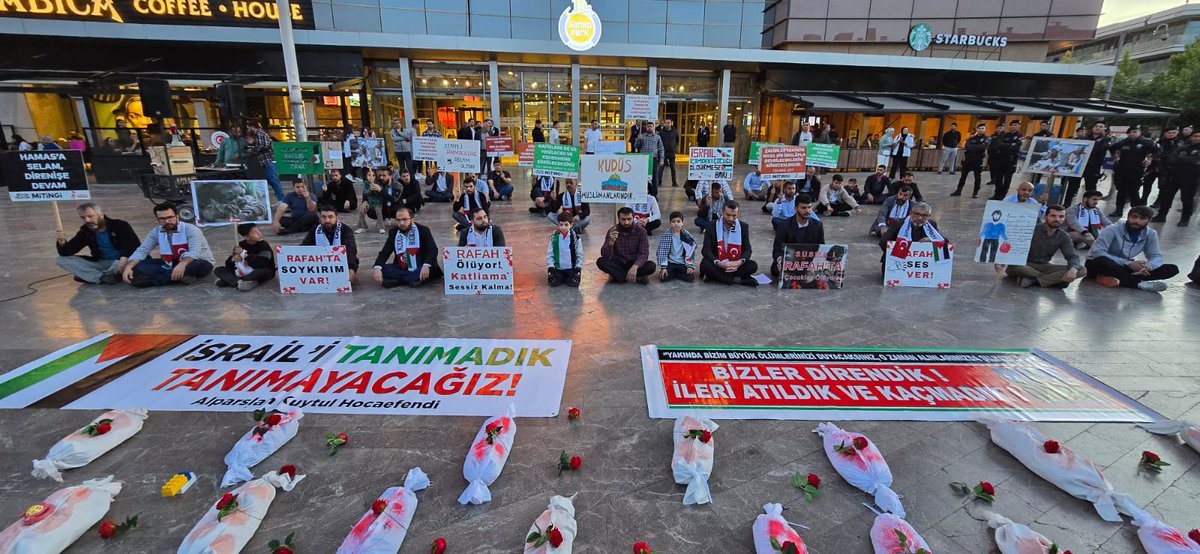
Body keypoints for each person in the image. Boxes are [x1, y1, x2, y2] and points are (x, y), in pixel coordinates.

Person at [1085, 206, 1178, 291]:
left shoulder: (1151, 234)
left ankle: (1116, 278)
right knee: (1103, 261)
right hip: (1099, 264)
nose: (1137, 221)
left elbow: (1156, 256)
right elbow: (1098, 252)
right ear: (1128, 217)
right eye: (1134, 217)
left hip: (1123, 267)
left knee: (1172, 269)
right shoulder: (1112, 229)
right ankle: (1138, 283)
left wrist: (1148, 266)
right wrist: (1127, 263)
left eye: (1142, 218)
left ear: (1148, 221)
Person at [124, 202, 214, 287]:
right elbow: (142, 250)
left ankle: (154, 281)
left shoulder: (191, 229)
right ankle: (181, 277)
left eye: (170, 217)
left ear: (177, 216)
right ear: (157, 219)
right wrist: (129, 266)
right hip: (171, 262)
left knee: (195, 265)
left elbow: (194, 252)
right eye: (162, 219)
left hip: (196, 261)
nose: (167, 221)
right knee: (138, 266)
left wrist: (183, 264)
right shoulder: (156, 232)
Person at [55, 202, 139, 285]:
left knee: (121, 264)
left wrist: (124, 258)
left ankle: (90, 276)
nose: (87, 220)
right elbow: (66, 252)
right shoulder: (86, 231)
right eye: (83, 217)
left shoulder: (120, 225)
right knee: (61, 260)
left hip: (121, 261)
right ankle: (101, 277)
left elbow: (131, 245)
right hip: (102, 262)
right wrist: (61, 241)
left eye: (90, 216)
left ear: (101, 215)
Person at [1005, 205, 1086, 288]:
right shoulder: (1031, 230)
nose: (1057, 219)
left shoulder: (1063, 236)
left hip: (1044, 266)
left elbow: (1072, 256)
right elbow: (1012, 249)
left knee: (1081, 270)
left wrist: (1073, 268)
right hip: (1024, 265)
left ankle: (1035, 281)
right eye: (1053, 216)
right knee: (1015, 265)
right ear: (1045, 216)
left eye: (1061, 216)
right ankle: (1053, 281)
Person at [372, 207, 441, 288]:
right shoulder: (394, 233)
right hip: (403, 266)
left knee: (429, 268)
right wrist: (377, 268)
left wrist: (426, 265)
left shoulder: (423, 230)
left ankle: (399, 280)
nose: (401, 223)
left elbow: (433, 250)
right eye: (398, 220)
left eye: (404, 219)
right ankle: (412, 279)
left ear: (412, 219)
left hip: (421, 265)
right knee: (383, 269)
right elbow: (384, 252)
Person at [1106, 124, 1160, 218]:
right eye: (1130, 132)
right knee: (1121, 191)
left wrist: (1150, 158)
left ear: (1139, 132)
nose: (1132, 134)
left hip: (1136, 171)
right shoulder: (1124, 142)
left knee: (1133, 192)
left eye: (1134, 132)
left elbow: (1158, 151)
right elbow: (1112, 148)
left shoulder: (1146, 142)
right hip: (1122, 170)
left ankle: (1138, 212)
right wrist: (1116, 155)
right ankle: (1118, 210)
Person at [700, 201, 758, 286]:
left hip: (735, 264)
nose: (730, 219)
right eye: (728, 215)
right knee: (705, 264)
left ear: (738, 214)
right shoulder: (711, 226)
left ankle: (714, 277)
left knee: (753, 265)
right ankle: (738, 280)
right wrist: (719, 263)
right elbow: (706, 250)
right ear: (722, 212)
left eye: (734, 216)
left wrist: (738, 263)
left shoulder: (743, 227)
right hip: (718, 263)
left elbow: (747, 250)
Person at [879, 201, 949, 271]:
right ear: (911, 213)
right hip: (898, 263)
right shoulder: (899, 223)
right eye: (917, 214)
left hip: (921, 264)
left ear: (928, 216)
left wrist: (932, 240)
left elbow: (945, 243)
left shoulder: (932, 225)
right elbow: (883, 242)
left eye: (924, 215)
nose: (920, 218)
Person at [598, 207, 656, 284]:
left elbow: (644, 253)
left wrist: (635, 266)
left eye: (629, 219)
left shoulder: (641, 231)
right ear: (619, 219)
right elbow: (605, 255)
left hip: (634, 262)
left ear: (633, 218)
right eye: (623, 219)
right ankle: (633, 276)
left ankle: (619, 276)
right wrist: (611, 242)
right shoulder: (612, 231)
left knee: (651, 266)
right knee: (601, 261)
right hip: (619, 262)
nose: (626, 222)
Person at [771, 194, 825, 278]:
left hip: (809, 262)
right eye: (803, 208)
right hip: (789, 261)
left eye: (809, 207)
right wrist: (779, 260)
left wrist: (815, 263)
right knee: (775, 270)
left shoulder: (818, 225)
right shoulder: (784, 225)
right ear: (796, 209)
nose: (807, 211)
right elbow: (777, 249)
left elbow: (822, 247)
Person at [1154, 129, 1200, 226]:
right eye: (1195, 136)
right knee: (1166, 196)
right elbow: (1171, 159)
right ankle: (1161, 215)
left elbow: (1196, 161)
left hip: (1191, 177)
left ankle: (1185, 218)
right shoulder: (1183, 148)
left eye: (1198, 136)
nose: (1196, 138)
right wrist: (1186, 159)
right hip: (1174, 175)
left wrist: (1181, 159)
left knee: (1187, 199)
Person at [301, 205, 360, 279]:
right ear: (320, 219)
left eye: (330, 217)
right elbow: (304, 248)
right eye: (323, 217)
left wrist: (351, 269)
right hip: (318, 265)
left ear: (337, 218)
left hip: (341, 264)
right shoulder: (314, 229)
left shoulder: (345, 230)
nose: (327, 220)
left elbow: (350, 250)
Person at [213, 223, 275, 291]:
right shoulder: (240, 245)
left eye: (258, 231)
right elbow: (229, 265)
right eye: (254, 232)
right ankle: (240, 282)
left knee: (260, 273)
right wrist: (232, 259)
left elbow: (263, 262)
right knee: (218, 269)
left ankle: (230, 281)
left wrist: (244, 254)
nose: (259, 234)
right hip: (242, 271)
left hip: (260, 269)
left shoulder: (264, 245)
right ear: (246, 237)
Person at [246, 120, 283, 202]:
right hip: (264, 161)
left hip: (267, 160)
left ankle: (281, 200)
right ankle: (279, 199)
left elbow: (264, 145)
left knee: (273, 180)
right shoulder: (258, 135)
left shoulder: (260, 133)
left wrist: (253, 149)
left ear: (252, 127)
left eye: (249, 128)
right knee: (271, 181)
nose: (248, 130)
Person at [657, 211, 697, 283]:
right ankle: (674, 273)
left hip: (682, 262)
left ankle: (675, 273)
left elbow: (691, 251)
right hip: (670, 262)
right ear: (670, 223)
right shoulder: (666, 236)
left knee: (690, 278)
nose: (676, 224)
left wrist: (690, 266)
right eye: (673, 221)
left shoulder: (687, 235)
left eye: (678, 221)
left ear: (682, 223)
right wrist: (663, 267)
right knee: (663, 278)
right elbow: (662, 252)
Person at [547, 212, 584, 287]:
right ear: (558, 224)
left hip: (571, 268)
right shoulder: (554, 238)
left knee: (573, 283)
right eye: (561, 225)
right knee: (554, 283)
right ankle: (559, 276)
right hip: (558, 268)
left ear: (571, 225)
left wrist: (578, 268)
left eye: (566, 225)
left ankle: (566, 277)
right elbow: (550, 254)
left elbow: (580, 255)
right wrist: (550, 267)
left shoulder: (576, 239)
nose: (563, 227)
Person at [952, 123, 990, 197]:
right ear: (977, 129)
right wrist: (976, 147)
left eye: (982, 128)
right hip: (968, 159)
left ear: (985, 129)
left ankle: (975, 192)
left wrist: (973, 147)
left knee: (977, 177)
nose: (981, 130)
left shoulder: (987, 138)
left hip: (978, 160)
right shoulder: (971, 138)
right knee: (963, 176)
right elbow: (967, 146)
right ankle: (958, 190)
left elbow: (983, 147)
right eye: (979, 128)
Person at [990, 120, 1024, 200]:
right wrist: (1010, 145)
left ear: (1019, 126)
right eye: (1012, 125)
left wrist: (1006, 146)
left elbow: (1016, 148)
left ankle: (1003, 195)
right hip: (1001, 159)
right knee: (998, 178)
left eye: (1015, 125)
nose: (1013, 127)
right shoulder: (1005, 135)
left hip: (1011, 160)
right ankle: (997, 194)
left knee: (1007, 179)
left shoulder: (1020, 136)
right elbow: (998, 145)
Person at [1080, 121, 1113, 198]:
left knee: (1090, 188)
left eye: (1101, 126)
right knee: (1073, 185)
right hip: (1081, 165)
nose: (1098, 128)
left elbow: (1100, 149)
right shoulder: (1086, 138)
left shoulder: (1106, 140)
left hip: (1094, 167)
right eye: (1096, 126)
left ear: (1104, 129)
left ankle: (1090, 205)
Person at [1060, 126, 1090, 205]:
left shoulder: (1089, 141)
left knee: (1076, 184)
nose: (1081, 133)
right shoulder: (1073, 141)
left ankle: (1072, 198)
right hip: (1070, 164)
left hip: (1081, 166)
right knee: (1066, 182)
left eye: (1083, 131)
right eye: (1080, 131)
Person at [636, 121, 665, 196]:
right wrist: (638, 140)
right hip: (643, 159)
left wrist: (661, 159)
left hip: (653, 159)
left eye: (651, 126)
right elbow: (636, 146)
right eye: (648, 126)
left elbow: (661, 148)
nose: (649, 128)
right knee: (643, 177)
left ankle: (654, 195)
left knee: (654, 178)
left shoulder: (657, 137)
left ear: (653, 127)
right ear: (646, 127)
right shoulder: (642, 136)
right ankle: (643, 193)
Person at [357, 168, 387, 234]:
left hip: (378, 202)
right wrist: (370, 190)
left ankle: (381, 227)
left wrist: (377, 189)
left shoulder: (378, 183)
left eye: (373, 175)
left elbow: (381, 192)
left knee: (378, 211)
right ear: (366, 176)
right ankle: (362, 226)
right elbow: (365, 193)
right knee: (362, 211)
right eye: (369, 175)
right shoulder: (365, 183)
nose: (371, 177)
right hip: (369, 202)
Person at [1028, 121, 1054, 186]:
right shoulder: (1036, 134)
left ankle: (1036, 184)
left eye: (1045, 125)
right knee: (1033, 172)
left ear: (1048, 126)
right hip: (1035, 155)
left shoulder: (1050, 135)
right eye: (1042, 125)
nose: (1043, 127)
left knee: (1039, 173)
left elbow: (1051, 143)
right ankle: (1032, 183)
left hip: (1044, 156)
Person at [658, 119, 679, 188]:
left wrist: (675, 147)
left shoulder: (675, 131)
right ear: (664, 124)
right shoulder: (661, 132)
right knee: (661, 168)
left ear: (671, 123)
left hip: (672, 152)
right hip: (663, 152)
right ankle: (659, 182)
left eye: (668, 123)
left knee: (673, 168)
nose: (667, 124)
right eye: (666, 123)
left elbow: (677, 140)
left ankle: (674, 182)